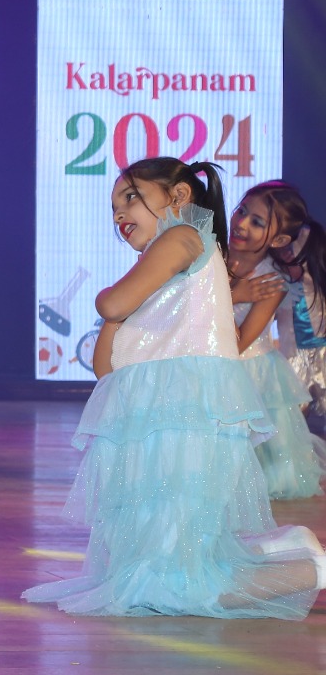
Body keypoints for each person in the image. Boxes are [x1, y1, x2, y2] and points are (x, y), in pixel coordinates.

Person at [24, 158, 324, 619]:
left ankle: (310, 570)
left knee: (167, 588)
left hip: (187, 423)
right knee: (150, 571)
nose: (119, 213)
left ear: (179, 196)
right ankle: (280, 550)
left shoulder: (182, 237)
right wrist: (119, 310)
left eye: (130, 197)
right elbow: (107, 366)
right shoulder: (162, 269)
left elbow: (111, 303)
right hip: (159, 427)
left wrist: (112, 303)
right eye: (113, 206)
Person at [226, 182, 325, 498]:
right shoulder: (209, 256)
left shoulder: (271, 280)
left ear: (280, 239)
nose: (241, 223)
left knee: (258, 472)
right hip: (204, 362)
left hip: (250, 374)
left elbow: (237, 344)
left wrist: (228, 295)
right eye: (241, 211)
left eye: (257, 222)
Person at [268, 186, 326, 423]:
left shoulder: (309, 235)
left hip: (322, 347)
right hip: (292, 351)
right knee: (294, 412)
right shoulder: (272, 261)